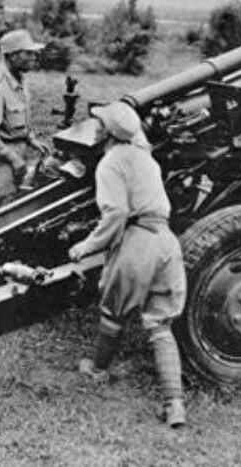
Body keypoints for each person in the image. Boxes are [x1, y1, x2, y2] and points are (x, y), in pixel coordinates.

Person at [68, 101, 187, 429]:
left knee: (114, 311)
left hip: (138, 242)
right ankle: (174, 404)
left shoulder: (110, 162)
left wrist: (87, 246)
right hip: (165, 241)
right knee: (160, 323)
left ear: (108, 132)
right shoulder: (145, 157)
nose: (96, 127)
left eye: (100, 123)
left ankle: (98, 370)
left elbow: (117, 214)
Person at [0, 29, 49, 210]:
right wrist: (13, 159)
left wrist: (31, 139)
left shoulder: (20, 81)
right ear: (12, 56)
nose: (34, 57)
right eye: (27, 53)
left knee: (17, 210)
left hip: (16, 158)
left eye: (33, 53)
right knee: (1, 215)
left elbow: (20, 118)